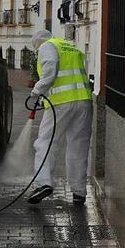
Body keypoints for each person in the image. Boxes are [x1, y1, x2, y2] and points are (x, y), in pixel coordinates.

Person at [26, 29, 94, 206]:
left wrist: (36, 91)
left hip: (61, 103)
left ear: (38, 43)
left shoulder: (47, 47)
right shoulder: (71, 47)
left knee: (46, 143)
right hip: (84, 101)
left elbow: (50, 69)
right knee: (78, 146)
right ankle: (79, 192)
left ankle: (44, 183)